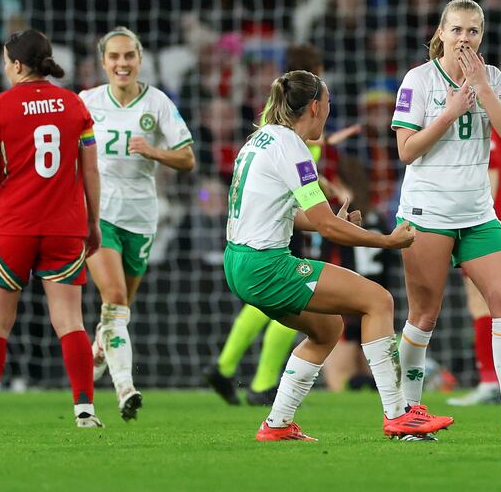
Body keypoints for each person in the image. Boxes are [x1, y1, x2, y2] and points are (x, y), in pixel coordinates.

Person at [224, 70, 454, 441]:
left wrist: (333, 220)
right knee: (378, 300)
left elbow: (287, 214)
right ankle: (398, 414)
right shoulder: (294, 148)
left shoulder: (260, 139)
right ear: (315, 106)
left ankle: (277, 424)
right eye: (328, 104)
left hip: (238, 262)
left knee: (327, 328)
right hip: (265, 265)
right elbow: (329, 229)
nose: (329, 111)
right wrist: (386, 241)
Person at [391, 0, 501, 441]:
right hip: (428, 213)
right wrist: (450, 112)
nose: (465, 38)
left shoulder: (494, 77)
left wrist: (483, 89)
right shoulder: (419, 79)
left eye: (474, 31)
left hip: (479, 214)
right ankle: (408, 411)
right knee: (424, 315)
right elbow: (406, 150)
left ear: (481, 37)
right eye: (458, 29)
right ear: (441, 33)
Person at [0, 29, 103, 428]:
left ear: (19, 65)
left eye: (7, 62)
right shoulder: (74, 105)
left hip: (12, 228)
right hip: (65, 226)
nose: (5, 68)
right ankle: (85, 411)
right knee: (70, 321)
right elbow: (90, 170)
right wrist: (92, 221)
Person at [208, 44, 360, 406]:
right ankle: (262, 382)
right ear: (313, 100)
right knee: (295, 294)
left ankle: (225, 366)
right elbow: (299, 169)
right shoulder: (295, 133)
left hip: (260, 222)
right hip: (287, 216)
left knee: (265, 302)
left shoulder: (270, 120)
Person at [79, 27, 195, 421]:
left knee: (121, 307)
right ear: (103, 61)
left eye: (129, 56)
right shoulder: (87, 102)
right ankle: (125, 388)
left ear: (140, 58)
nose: (122, 63)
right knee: (113, 299)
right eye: (114, 57)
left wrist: (154, 152)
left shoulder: (158, 102)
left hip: (142, 215)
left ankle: (99, 350)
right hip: (98, 214)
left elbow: (187, 158)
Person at [447, 129, 501, 406]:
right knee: (492, 303)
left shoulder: (483, 128)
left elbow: (489, 181)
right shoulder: (496, 126)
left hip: (485, 224)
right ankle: (496, 383)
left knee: (484, 304)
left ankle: (491, 382)